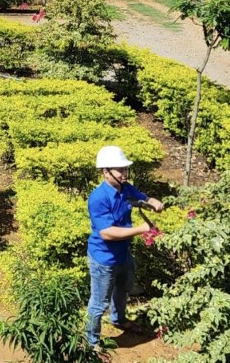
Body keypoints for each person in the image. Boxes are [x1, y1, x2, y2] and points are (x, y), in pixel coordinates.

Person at [85, 145, 164, 351]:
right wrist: (141, 229)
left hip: (123, 254)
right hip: (104, 258)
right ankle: (91, 341)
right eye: (119, 170)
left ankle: (119, 319)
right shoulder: (98, 198)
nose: (124, 173)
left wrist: (152, 201)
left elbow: (140, 198)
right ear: (105, 172)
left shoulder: (126, 188)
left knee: (123, 289)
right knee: (99, 302)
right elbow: (107, 233)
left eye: (125, 169)